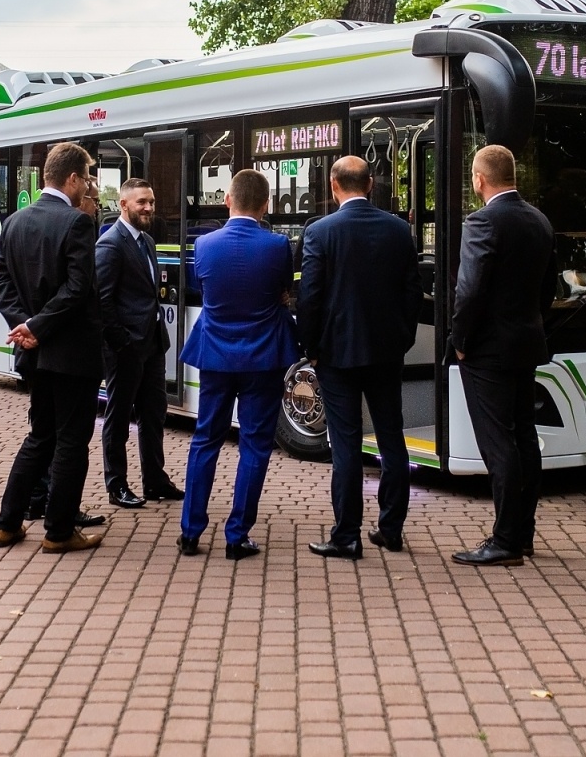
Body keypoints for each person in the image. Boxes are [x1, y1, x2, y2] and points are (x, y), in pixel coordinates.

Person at [297, 156, 421, 558]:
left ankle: (346, 535)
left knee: (346, 443)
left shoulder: (319, 231)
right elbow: (411, 294)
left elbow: (310, 297)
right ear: (370, 184)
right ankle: (392, 528)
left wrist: (310, 348)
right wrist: (403, 339)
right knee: (391, 437)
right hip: (387, 350)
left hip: (336, 352)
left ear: (334, 186)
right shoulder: (400, 230)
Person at [0, 142, 108, 554]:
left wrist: (22, 326)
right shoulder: (77, 223)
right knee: (72, 441)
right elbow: (78, 289)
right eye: (88, 177)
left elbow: (1, 284)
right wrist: (37, 326)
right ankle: (58, 531)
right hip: (72, 353)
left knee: (39, 436)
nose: (89, 185)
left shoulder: (15, 222)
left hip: (33, 354)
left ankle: (7, 524)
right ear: (72, 179)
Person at [177, 169, 296, 561]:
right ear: (266, 206)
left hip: (215, 353)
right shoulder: (278, 246)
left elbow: (205, 286)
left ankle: (191, 532)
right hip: (263, 356)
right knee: (255, 445)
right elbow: (283, 291)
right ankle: (236, 535)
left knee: (205, 439)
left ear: (228, 200)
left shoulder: (205, 244)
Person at [448, 144, 558, 565]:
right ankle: (524, 534)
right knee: (525, 438)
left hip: (488, 351)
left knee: (498, 445)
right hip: (526, 344)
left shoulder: (482, 222)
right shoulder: (540, 220)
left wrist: (460, 339)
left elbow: (469, 290)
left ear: (479, 179)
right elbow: (548, 288)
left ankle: (506, 541)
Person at [95, 178, 181, 509]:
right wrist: (122, 342)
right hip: (126, 348)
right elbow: (103, 301)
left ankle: (154, 480)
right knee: (118, 417)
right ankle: (116, 484)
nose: (148, 208)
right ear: (124, 205)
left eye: (152, 202)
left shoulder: (146, 240)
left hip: (152, 344)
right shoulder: (110, 244)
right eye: (142, 202)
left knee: (154, 413)